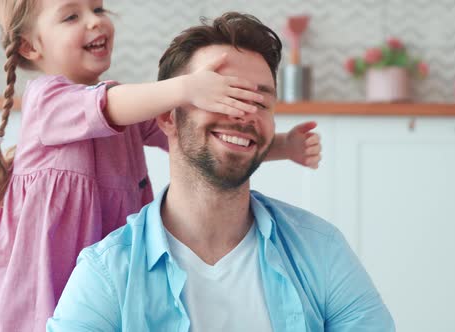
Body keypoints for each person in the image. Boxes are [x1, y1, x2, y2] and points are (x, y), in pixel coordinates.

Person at [0, 1, 322, 331]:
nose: (95, 21)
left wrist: (282, 146)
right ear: (30, 46)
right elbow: (109, 105)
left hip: (104, 267)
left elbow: (198, 140)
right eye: (71, 16)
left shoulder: (127, 106)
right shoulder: (46, 99)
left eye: (98, 8)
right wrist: (187, 87)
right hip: (39, 271)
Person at [47, 11, 395, 332]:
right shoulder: (107, 273)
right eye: (222, 95)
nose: (244, 114)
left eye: (260, 102)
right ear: (168, 116)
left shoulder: (321, 249)